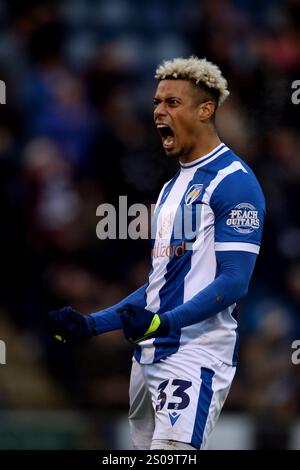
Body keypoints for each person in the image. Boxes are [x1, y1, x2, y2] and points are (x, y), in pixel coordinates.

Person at [48, 56, 266, 450]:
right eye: (155, 103)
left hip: (195, 355)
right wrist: (93, 324)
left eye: (172, 103)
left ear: (206, 110)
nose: (159, 112)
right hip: (148, 356)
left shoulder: (235, 184)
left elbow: (234, 281)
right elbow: (160, 285)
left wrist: (162, 323)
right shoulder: (170, 191)